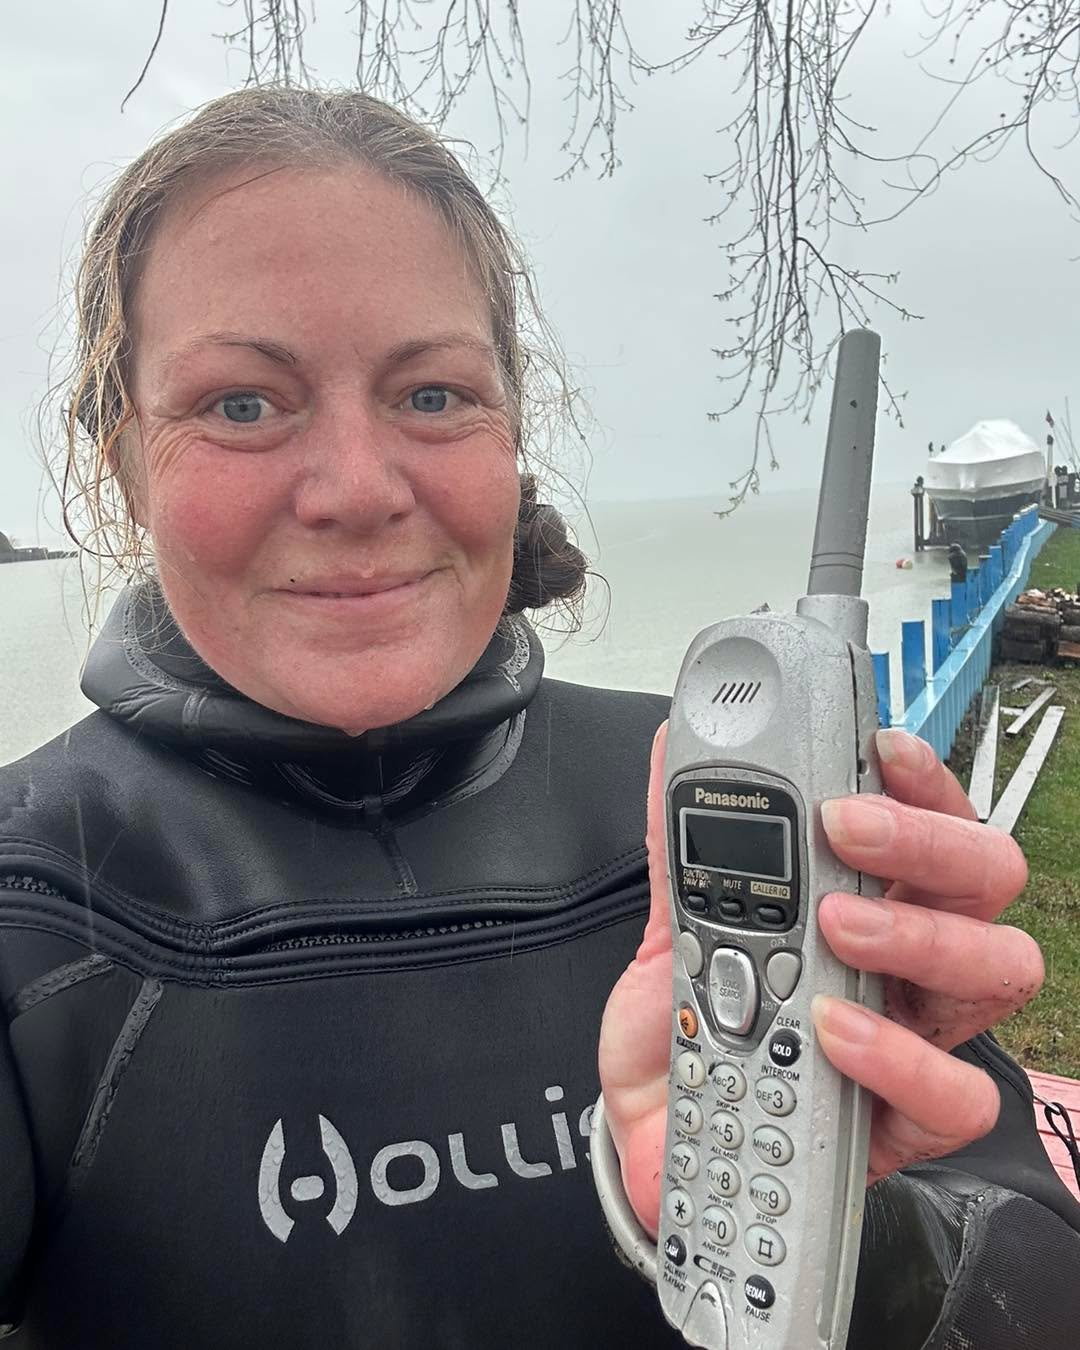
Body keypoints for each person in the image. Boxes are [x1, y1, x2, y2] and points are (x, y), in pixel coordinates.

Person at [0, 86, 1076, 1350]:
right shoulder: (29, 899)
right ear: (123, 459)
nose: (357, 489)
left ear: (515, 429)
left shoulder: (705, 802)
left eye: (432, 394)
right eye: (243, 404)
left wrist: (851, 1235)